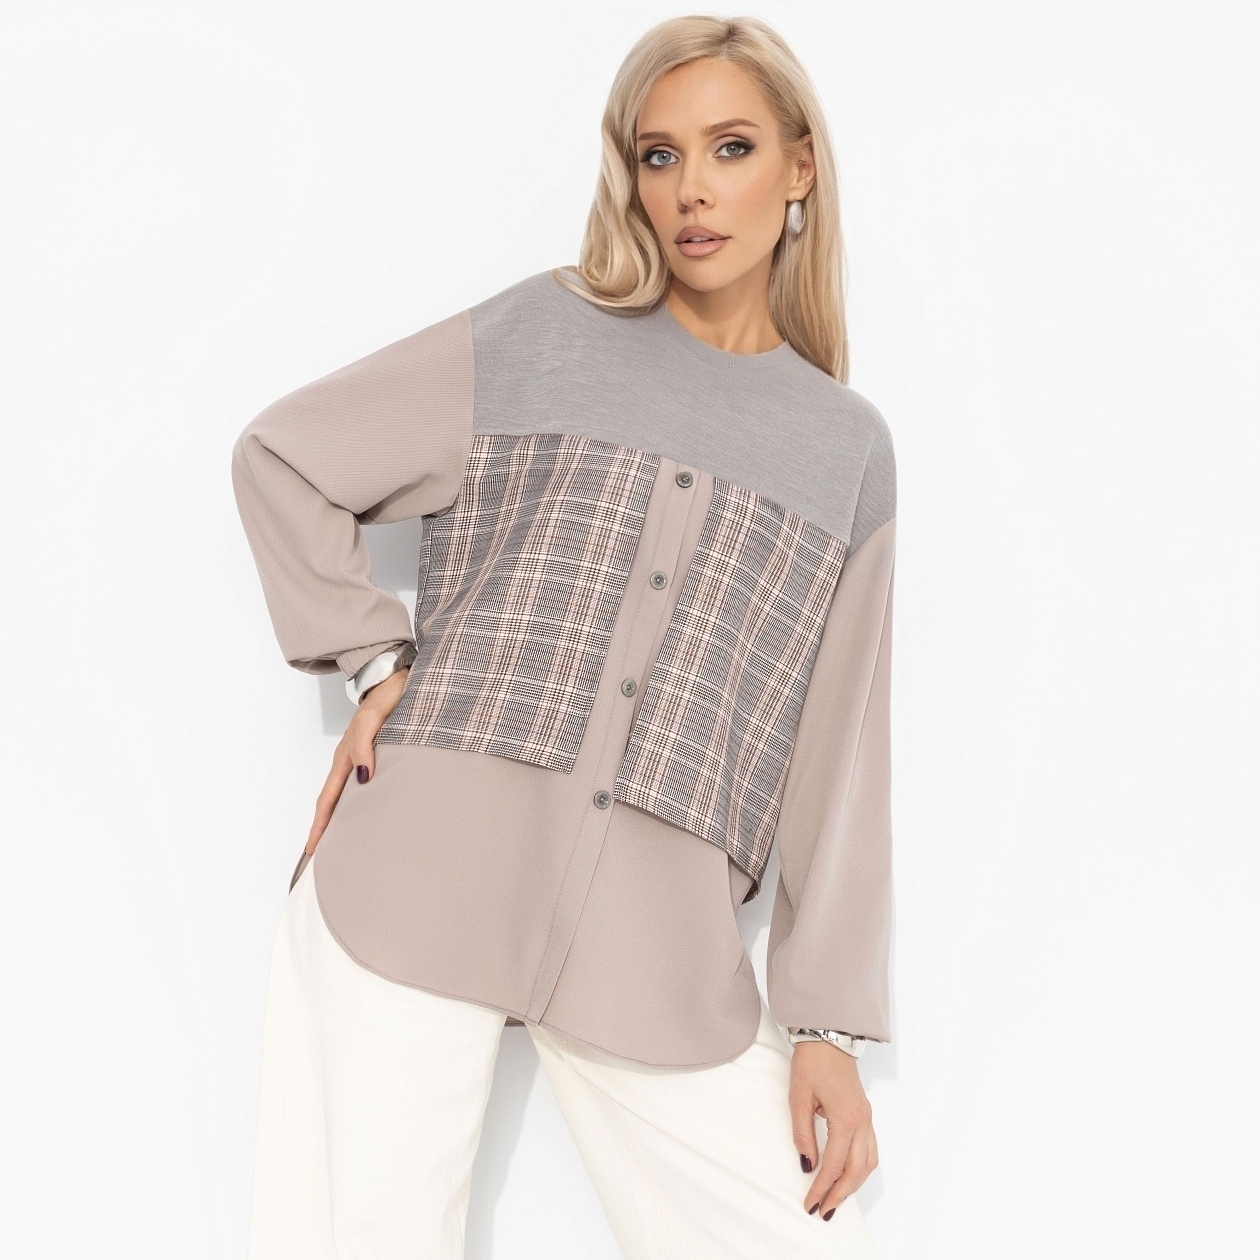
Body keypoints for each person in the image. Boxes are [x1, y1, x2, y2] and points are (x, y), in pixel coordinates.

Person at [231, 14, 895, 1259]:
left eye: (733, 148)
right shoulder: (540, 335)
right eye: (659, 155)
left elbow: (840, 765)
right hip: (417, 876)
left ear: (800, 165)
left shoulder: (844, 452)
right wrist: (376, 662)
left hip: (658, 946)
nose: (693, 190)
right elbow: (286, 457)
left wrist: (827, 1029)